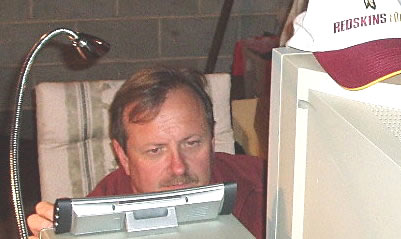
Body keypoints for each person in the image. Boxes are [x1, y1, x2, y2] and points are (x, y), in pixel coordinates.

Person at [26, 68, 265, 239]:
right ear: (123, 157)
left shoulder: (266, 187)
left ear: (212, 141)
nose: (178, 167)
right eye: (155, 150)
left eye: (191, 143)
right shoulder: (99, 212)